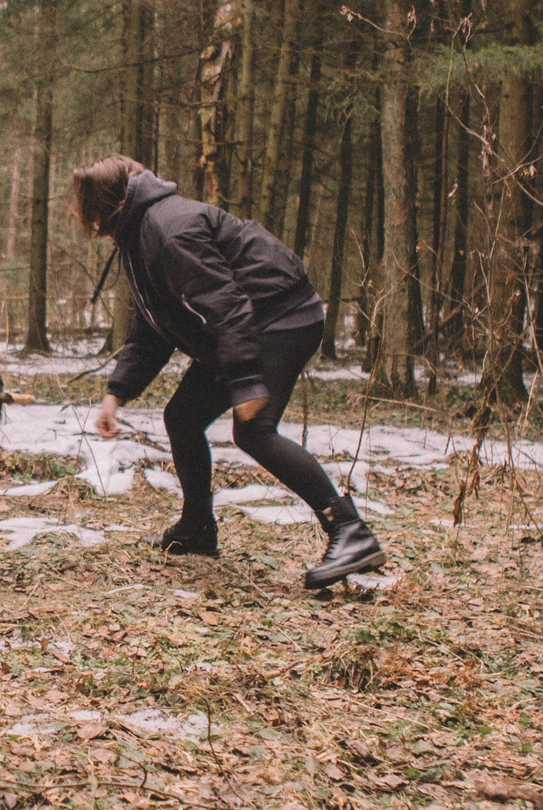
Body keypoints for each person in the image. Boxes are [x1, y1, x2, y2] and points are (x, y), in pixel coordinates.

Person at [73, 154, 386, 589]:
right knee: (183, 416)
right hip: (250, 323)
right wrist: (116, 393)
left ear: (108, 206)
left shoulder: (169, 232)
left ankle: (350, 531)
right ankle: (197, 528)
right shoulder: (140, 236)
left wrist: (245, 380)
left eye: (90, 215)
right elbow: (153, 329)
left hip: (281, 318)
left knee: (254, 430)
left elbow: (224, 304)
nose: (92, 227)